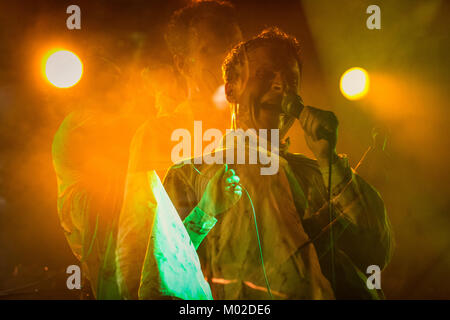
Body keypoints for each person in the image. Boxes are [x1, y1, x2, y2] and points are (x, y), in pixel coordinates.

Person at [162, 28, 393, 299]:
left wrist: (329, 161)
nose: (281, 86)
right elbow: (167, 274)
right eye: (264, 74)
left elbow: (375, 254)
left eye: (292, 80)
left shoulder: (319, 172)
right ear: (231, 90)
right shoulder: (190, 174)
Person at [115, 0, 243, 299]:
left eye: (237, 49)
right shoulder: (157, 135)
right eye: (211, 50)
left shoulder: (262, 131)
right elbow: (138, 245)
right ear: (183, 64)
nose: (230, 62)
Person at [52, 55, 148, 299]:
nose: (119, 90)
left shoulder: (99, 119)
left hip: (97, 206)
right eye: (111, 83)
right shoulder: (81, 123)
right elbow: (106, 171)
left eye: (118, 81)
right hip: (90, 205)